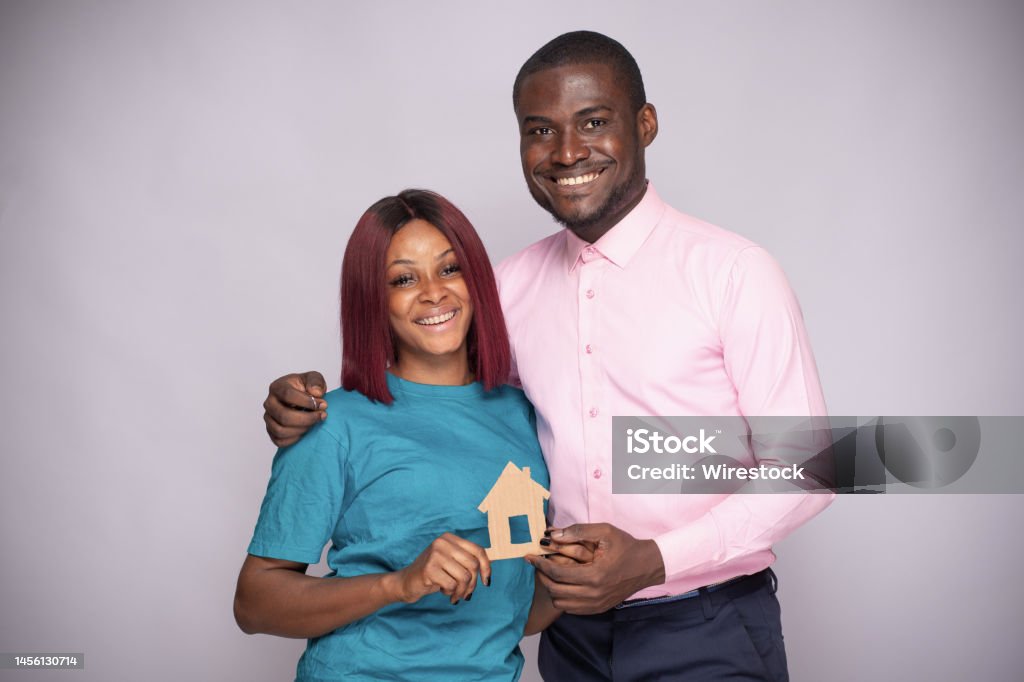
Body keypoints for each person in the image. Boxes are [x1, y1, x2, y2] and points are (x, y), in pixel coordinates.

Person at [263, 32, 832, 681]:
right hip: (567, 632)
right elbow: (430, 409)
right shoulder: (502, 289)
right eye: (540, 130)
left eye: (593, 122)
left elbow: (810, 468)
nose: (566, 152)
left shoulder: (734, 272)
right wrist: (301, 404)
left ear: (645, 124)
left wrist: (655, 558)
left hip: (706, 623)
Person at [235, 189, 569, 681]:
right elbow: (254, 603)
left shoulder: (526, 413)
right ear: (374, 298)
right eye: (404, 278)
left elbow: (514, 607)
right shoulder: (333, 423)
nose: (433, 292)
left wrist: (578, 574)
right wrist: (401, 584)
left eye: (450, 269)